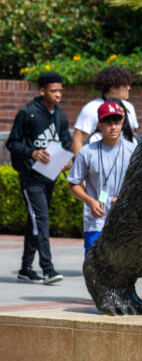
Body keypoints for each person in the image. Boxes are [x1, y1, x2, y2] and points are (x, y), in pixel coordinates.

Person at [5, 72, 72, 284]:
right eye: (54, 91)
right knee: (41, 219)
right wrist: (32, 153)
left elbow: (66, 141)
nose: (58, 94)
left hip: (49, 176)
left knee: (34, 221)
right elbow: (12, 143)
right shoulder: (28, 113)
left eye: (60, 90)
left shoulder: (60, 115)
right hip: (30, 176)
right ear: (42, 91)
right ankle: (48, 269)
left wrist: (67, 160)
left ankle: (25, 268)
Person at [67, 101, 137, 253]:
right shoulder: (87, 151)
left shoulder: (134, 151)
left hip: (124, 220)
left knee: (121, 268)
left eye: (117, 122)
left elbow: (141, 184)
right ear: (100, 125)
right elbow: (73, 184)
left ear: (122, 122)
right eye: (108, 123)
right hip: (95, 222)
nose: (113, 127)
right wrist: (90, 201)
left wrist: (125, 198)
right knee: (94, 268)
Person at [72, 66, 139, 155]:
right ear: (113, 88)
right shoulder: (92, 108)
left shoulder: (129, 107)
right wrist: (81, 166)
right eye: (125, 85)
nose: (129, 88)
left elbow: (132, 135)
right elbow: (78, 140)